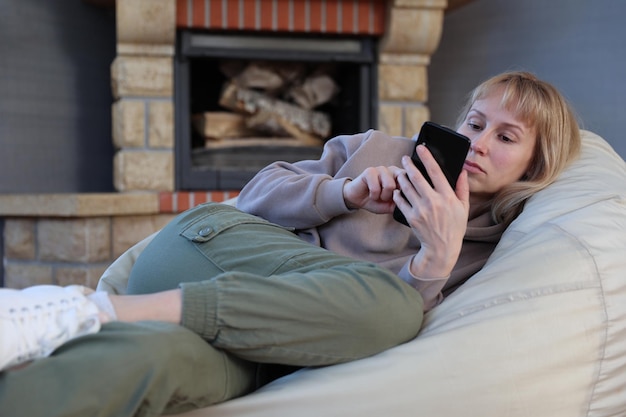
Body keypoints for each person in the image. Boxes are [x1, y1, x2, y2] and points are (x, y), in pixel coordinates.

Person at [0, 71, 581, 417]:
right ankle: (89, 307)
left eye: (506, 137)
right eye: (475, 123)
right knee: (394, 302)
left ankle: (44, 334)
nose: (478, 143)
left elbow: (375, 329)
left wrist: (437, 258)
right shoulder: (381, 150)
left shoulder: (490, 251)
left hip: (257, 349)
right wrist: (342, 193)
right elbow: (255, 194)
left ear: (536, 163)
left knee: (152, 363)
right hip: (203, 254)